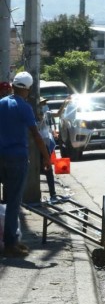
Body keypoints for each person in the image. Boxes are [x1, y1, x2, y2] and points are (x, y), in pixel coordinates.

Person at [0, 71, 51, 257]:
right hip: (16, 159)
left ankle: (9, 239)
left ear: (13, 86)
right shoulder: (24, 107)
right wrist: (46, 157)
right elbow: (36, 135)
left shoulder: (1, 104)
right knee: (13, 202)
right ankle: (10, 244)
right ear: (27, 89)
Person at [37, 97, 58, 200]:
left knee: (48, 170)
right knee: (39, 170)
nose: (45, 105)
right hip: (36, 147)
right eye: (43, 103)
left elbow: (57, 115)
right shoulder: (34, 117)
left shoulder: (45, 115)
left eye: (45, 103)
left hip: (45, 145)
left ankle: (53, 194)